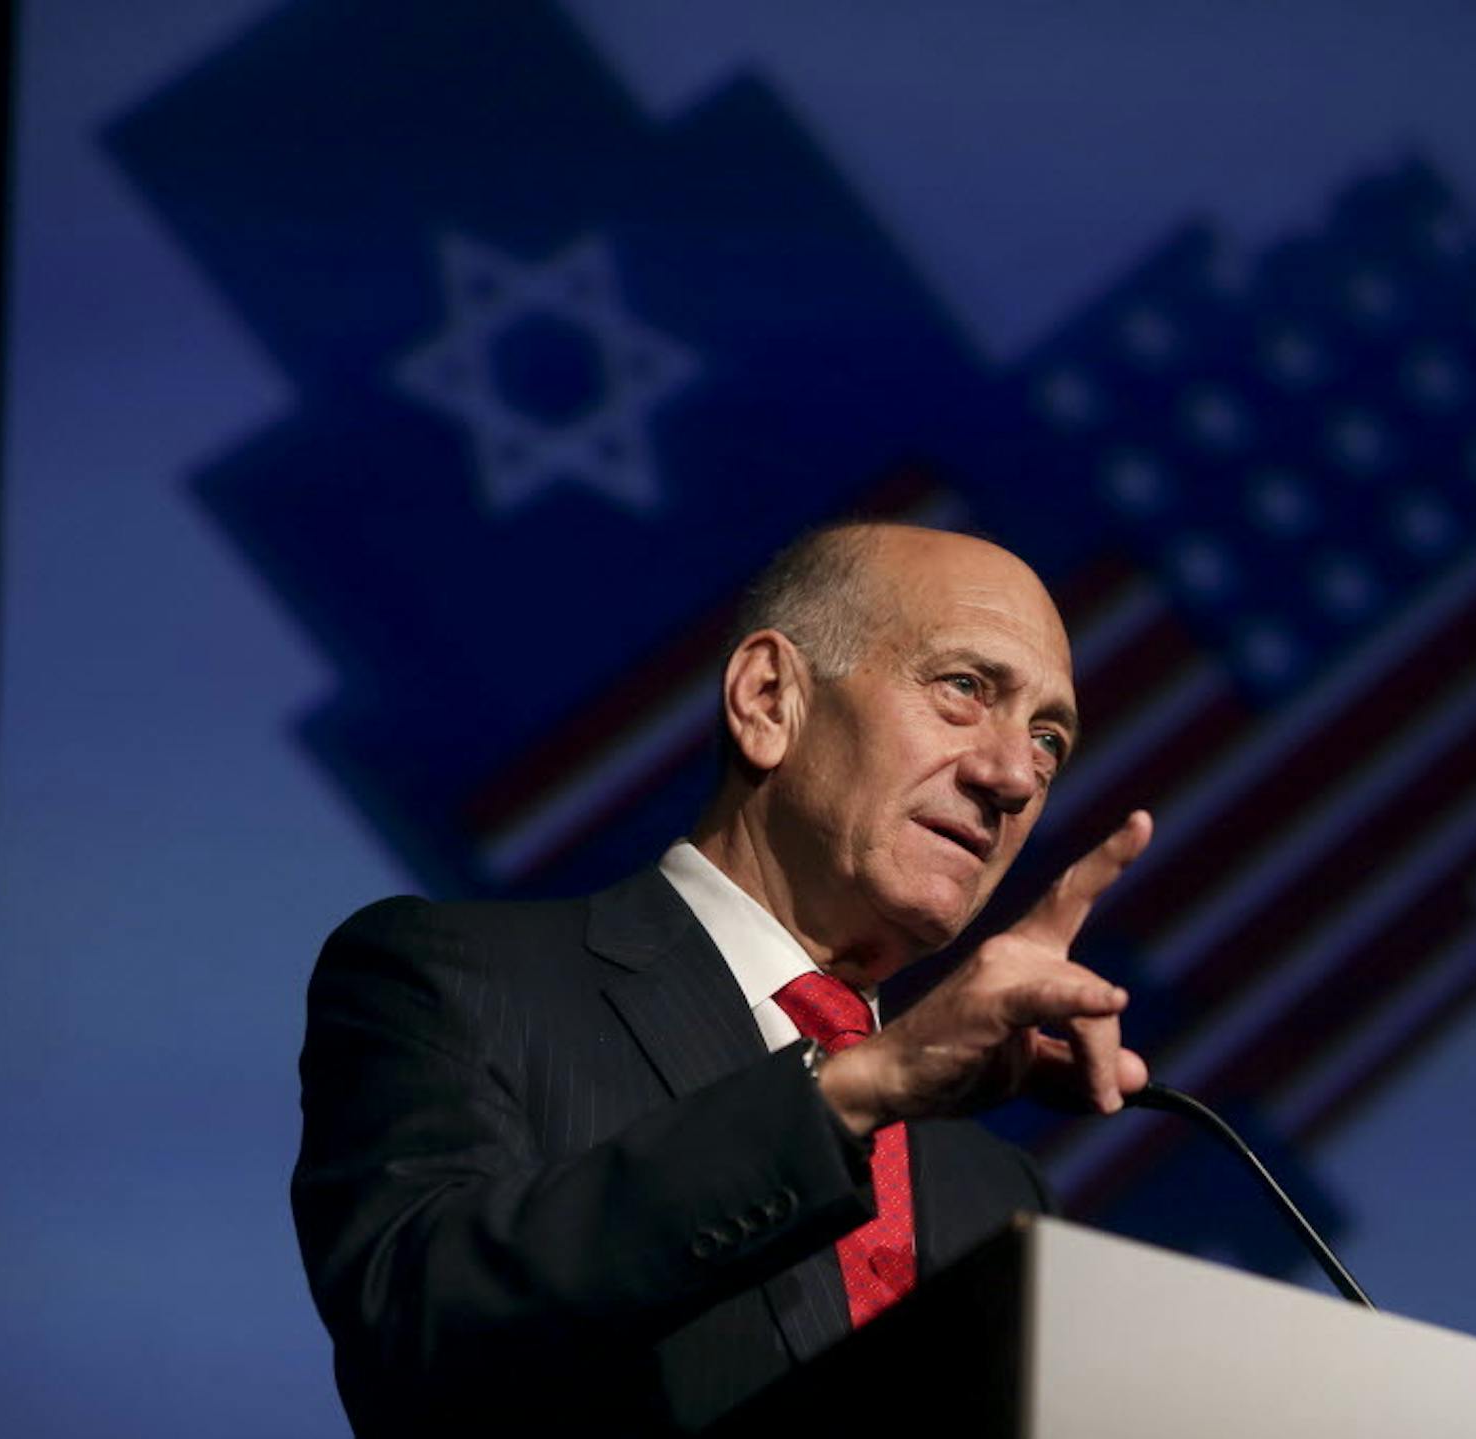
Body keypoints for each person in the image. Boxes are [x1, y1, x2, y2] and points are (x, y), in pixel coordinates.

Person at [291, 523, 1153, 1435]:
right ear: (769, 697)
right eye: (965, 688)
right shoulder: (460, 979)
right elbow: (418, 1317)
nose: (1015, 774)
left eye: (1050, 739)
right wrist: (848, 1093)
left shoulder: (998, 1188)